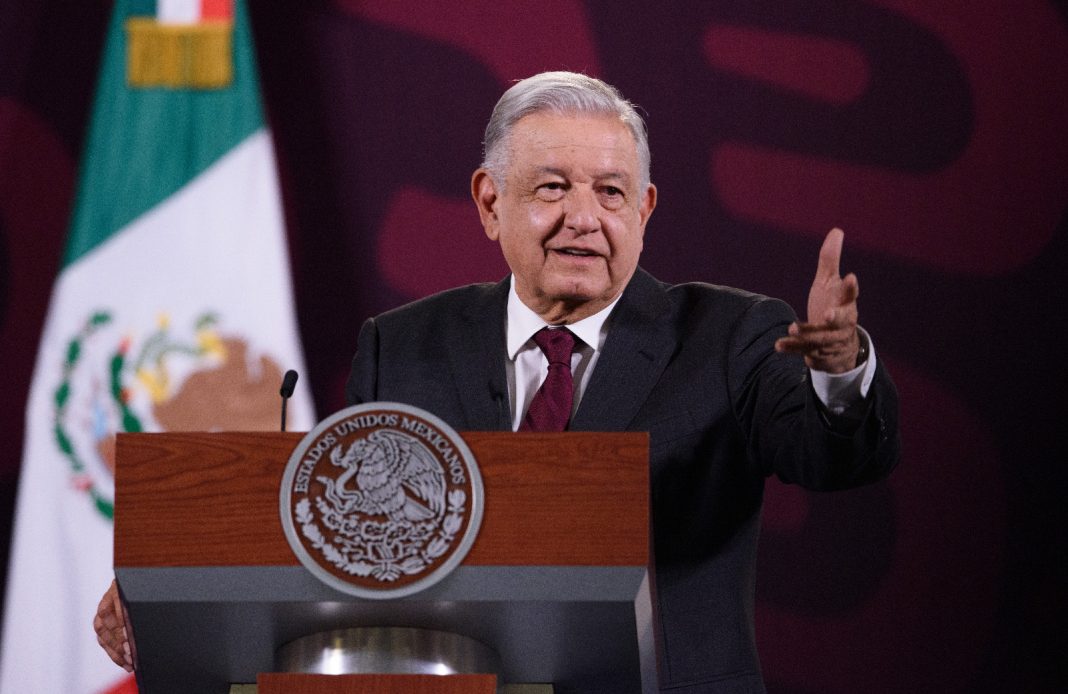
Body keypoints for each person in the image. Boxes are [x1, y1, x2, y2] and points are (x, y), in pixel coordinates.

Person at [96, 71, 900, 692]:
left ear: (645, 210)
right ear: (490, 202)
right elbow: (344, 538)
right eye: (552, 187)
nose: (584, 217)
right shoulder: (402, 347)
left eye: (611, 192)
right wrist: (171, 583)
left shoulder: (729, 336)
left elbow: (831, 455)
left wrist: (839, 375)